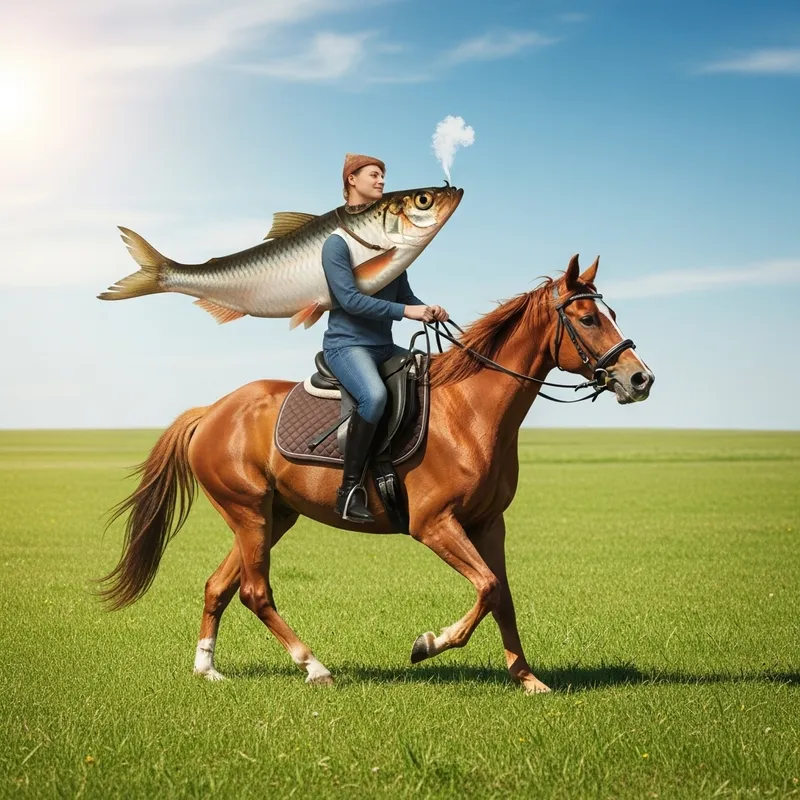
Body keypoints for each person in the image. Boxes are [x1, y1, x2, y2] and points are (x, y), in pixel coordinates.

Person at [322, 153, 448, 523]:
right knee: (374, 397)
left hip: (383, 346)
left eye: (383, 176)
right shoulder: (336, 244)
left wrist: (427, 308)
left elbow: (405, 295)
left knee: (432, 377)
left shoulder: (389, 242)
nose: (381, 181)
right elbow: (349, 301)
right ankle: (349, 490)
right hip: (347, 346)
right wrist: (407, 313)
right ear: (351, 180)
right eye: (374, 174)